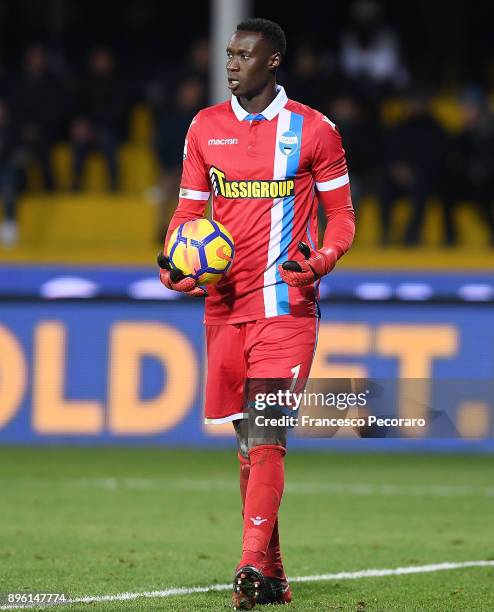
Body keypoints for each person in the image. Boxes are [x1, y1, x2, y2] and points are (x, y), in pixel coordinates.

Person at [158, 18, 355, 610]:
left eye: (244, 54)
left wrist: (321, 260)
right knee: (246, 443)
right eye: (228, 53)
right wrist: (173, 261)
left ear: (273, 62)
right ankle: (271, 577)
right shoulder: (204, 127)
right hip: (223, 309)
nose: (231, 63)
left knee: (268, 436)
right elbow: (187, 215)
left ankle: (245, 563)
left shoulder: (314, 130)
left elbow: (342, 216)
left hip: (286, 307)